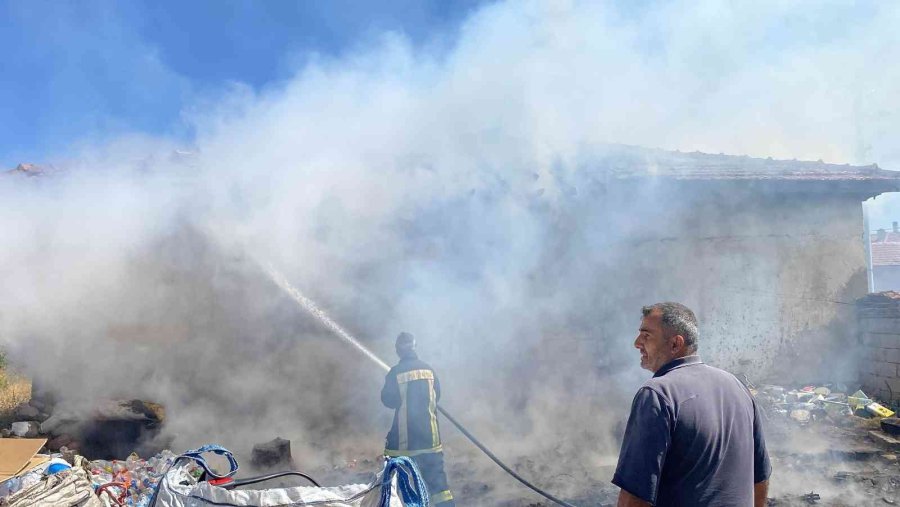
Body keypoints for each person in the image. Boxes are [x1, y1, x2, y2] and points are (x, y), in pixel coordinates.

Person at [613, 302, 771, 507]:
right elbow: (760, 480)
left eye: (646, 335)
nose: (637, 343)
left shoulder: (658, 394)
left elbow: (635, 496)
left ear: (675, 344)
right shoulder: (737, 387)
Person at [381, 332, 455, 506]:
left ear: (397, 350)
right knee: (440, 489)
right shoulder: (429, 370)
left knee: (398, 487)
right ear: (415, 347)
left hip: (404, 444)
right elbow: (437, 396)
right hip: (430, 441)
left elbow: (388, 400)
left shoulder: (395, 373)